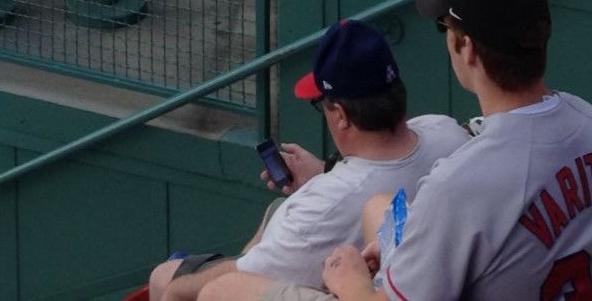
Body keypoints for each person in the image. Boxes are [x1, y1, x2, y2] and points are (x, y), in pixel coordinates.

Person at [293, 0, 592, 301]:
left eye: (444, 27)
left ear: (467, 47)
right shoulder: (591, 122)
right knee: (377, 206)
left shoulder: (459, 186)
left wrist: (351, 282)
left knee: (234, 287)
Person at [153, 20, 465, 301]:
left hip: (335, 278)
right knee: (275, 210)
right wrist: (323, 173)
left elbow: (238, 277)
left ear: (341, 115)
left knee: (165, 276)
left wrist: (178, 288)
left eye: (322, 104)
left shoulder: (320, 208)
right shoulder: (447, 131)